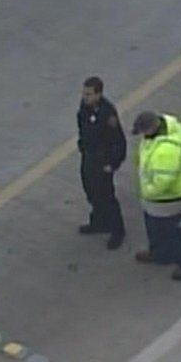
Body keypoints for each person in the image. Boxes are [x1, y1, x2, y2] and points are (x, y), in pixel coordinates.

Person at [130, 110, 181, 280]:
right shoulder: (168, 127)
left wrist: (145, 191)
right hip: (164, 199)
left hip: (171, 199)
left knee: (167, 231)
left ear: (150, 129)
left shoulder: (166, 152)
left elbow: (161, 184)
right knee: (154, 226)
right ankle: (159, 253)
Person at [76, 76, 127, 250]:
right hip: (89, 157)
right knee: (90, 191)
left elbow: (118, 141)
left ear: (98, 94)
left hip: (103, 159)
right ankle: (98, 222)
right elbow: (82, 126)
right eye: (84, 93)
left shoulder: (107, 113)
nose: (85, 97)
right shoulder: (85, 108)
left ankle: (117, 230)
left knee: (106, 195)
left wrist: (112, 163)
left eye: (89, 94)